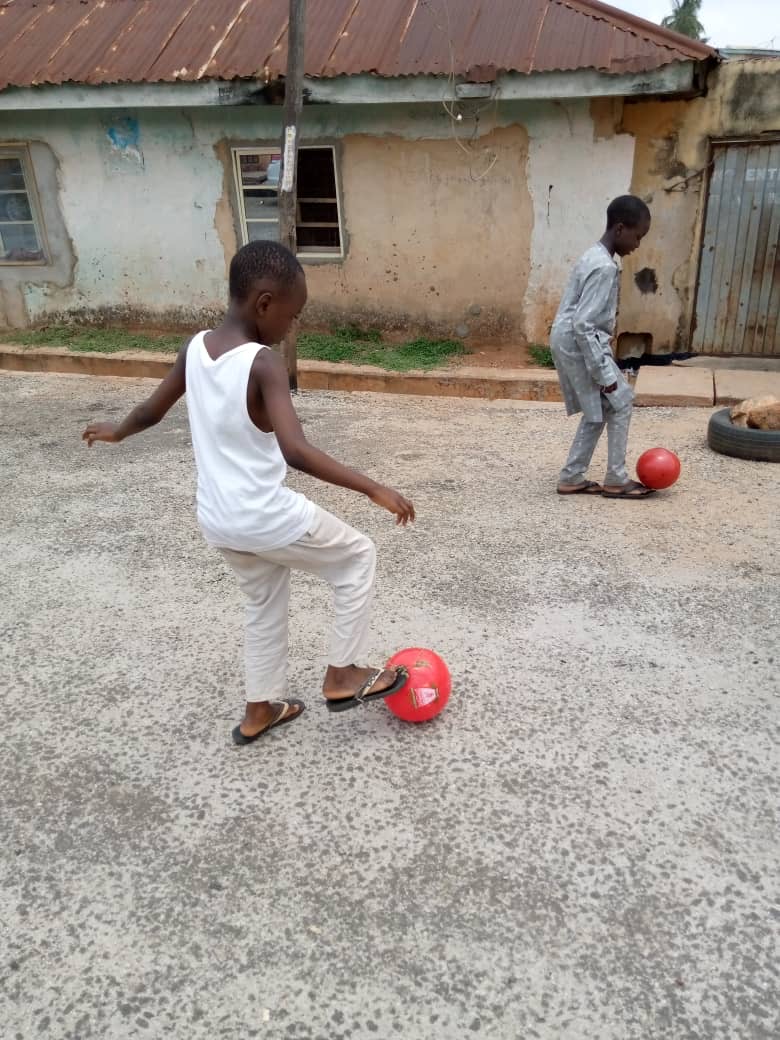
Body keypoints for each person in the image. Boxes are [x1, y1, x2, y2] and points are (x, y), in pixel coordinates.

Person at [83, 241, 414, 745]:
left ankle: (259, 710)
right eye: (292, 315)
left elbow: (152, 410)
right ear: (264, 303)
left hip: (218, 519)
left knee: (263, 603)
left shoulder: (195, 348)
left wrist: (118, 431)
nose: (291, 326)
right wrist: (373, 487)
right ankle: (343, 674)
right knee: (357, 556)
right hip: (264, 515)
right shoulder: (263, 364)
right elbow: (295, 450)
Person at [551, 195, 653, 499]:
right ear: (620, 229)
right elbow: (584, 324)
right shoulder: (605, 267)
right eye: (638, 236)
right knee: (620, 399)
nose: (638, 244)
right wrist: (603, 374)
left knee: (600, 407)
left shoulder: (594, 255)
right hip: (578, 341)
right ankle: (616, 479)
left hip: (569, 339)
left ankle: (572, 476)